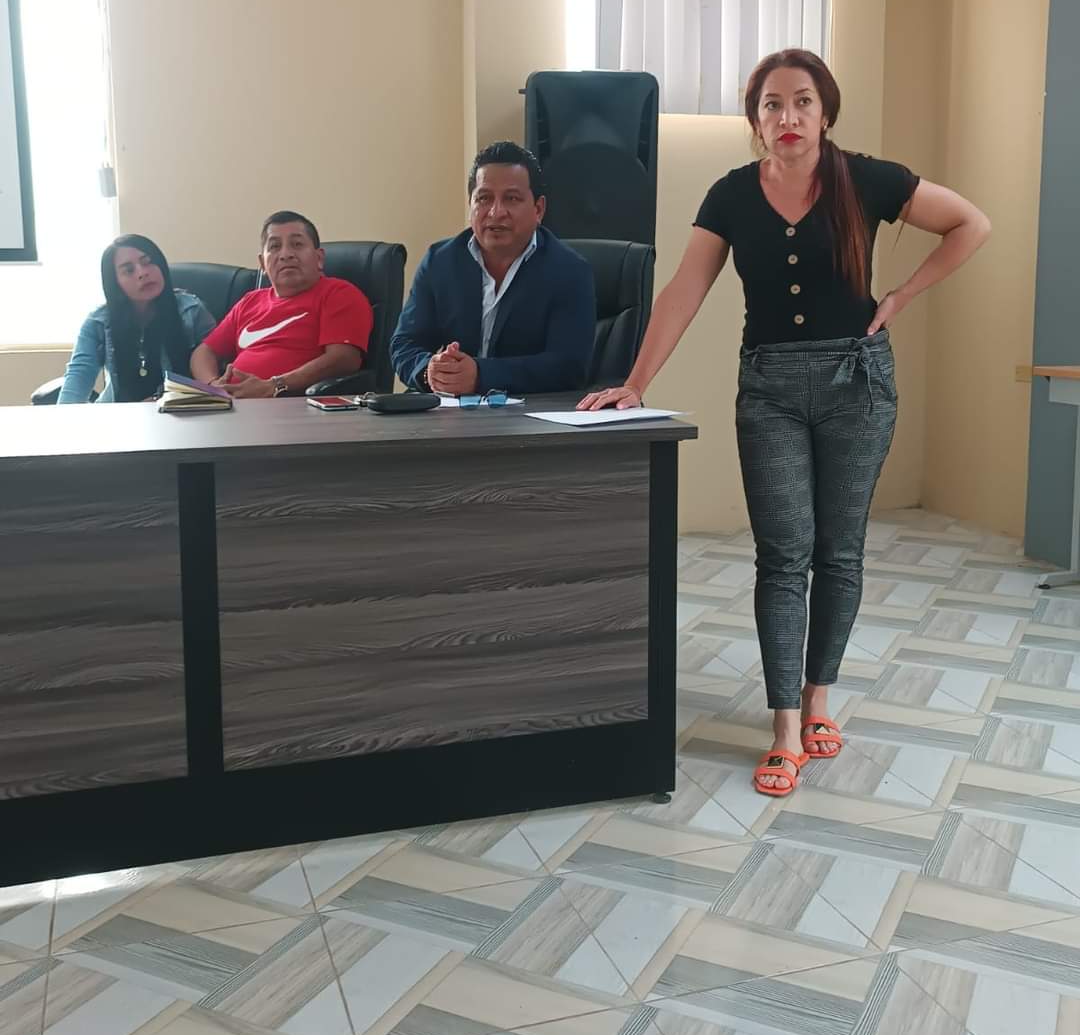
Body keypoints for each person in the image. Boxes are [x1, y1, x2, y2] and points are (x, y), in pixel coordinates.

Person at [580, 49, 991, 797]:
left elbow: (971, 223)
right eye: (772, 104)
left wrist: (902, 294)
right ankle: (784, 727)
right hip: (768, 388)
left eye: (803, 101)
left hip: (856, 382)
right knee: (781, 554)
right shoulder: (732, 194)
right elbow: (684, 288)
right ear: (756, 119)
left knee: (839, 552)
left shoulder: (868, 179)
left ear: (825, 113)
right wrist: (635, 384)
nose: (788, 116)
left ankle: (819, 699)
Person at [391, 141, 595, 397]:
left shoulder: (569, 271)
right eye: (484, 198)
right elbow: (404, 343)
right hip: (448, 413)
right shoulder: (440, 261)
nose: (496, 212)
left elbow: (568, 366)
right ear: (470, 204)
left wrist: (481, 376)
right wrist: (429, 371)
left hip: (526, 415)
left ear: (538, 209)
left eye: (512, 199)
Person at [190, 211, 373, 398]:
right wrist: (213, 386)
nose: (286, 254)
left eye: (297, 244)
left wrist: (274, 385)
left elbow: (344, 360)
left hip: (290, 406)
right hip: (230, 405)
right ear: (262, 263)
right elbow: (204, 352)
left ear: (319, 258)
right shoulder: (250, 302)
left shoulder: (338, 294)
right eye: (275, 246)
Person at [58, 235, 215, 404]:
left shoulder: (191, 311)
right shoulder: (98, 323)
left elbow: (217, 366)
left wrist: (156, 401)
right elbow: (77, 379)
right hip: (119, 416)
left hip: (180, 413)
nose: (142, 273)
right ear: (115, 282)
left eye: (148, 262)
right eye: (129, 270)